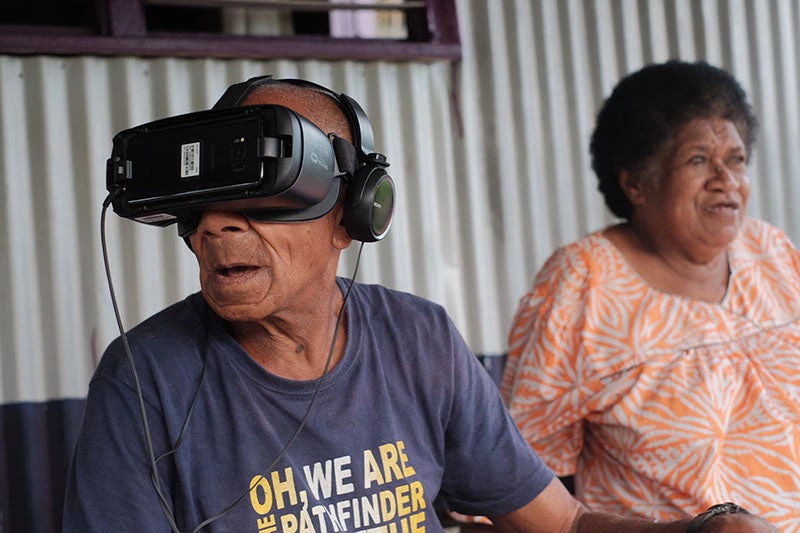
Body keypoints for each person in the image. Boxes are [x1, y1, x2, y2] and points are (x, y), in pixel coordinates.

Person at [63, 75, 775, 532]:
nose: (218, 225)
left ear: (355, 213)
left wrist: (701, 525)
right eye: (205, 207)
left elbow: (559, 521)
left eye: (261, 197)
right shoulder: (143, 379)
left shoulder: (419, 336)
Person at [502, 60, 800, 529]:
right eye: (698, 159)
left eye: (737, 159)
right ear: (636, 182)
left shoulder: (773, 254)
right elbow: (520, 487)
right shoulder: (582, 284)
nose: (726, 179)